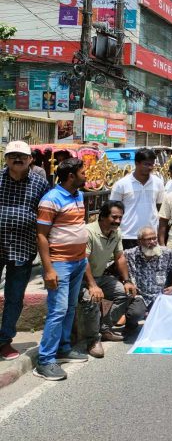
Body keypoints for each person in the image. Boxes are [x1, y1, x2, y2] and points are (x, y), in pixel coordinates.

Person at [34, 158, 89, 381]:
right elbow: (41, 235)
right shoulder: (51, 200)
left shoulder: (79, 195)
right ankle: (45, 360)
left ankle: (64, 348)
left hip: (78, 261)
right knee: (57, 310)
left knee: (70, 307)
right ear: (71, 176)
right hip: (60, 263)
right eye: (83, 172)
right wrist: (48, 269)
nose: (87, 176)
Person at [0, 141, 49, 360]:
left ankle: (4, 341)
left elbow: (47, 213)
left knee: (14, 296)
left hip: (24, 247)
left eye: (22, 156)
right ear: (6, 159)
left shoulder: (40, 183)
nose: (17, 159)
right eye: (13, 155)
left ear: (30, 159)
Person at [78, 201, 138, 358]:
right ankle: (93, 340)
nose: (118, 221)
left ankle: (105, 329)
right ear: (103, 216)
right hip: (82, 279)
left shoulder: (116, 233)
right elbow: (83, 260)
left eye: (120, 218)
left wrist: (127, 281)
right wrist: (92, 285)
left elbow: (120, 257)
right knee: (91, 300)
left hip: (100, 277)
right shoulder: (88, 232)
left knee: (124, 293)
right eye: (114, 217)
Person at [123, 227, 172, 326]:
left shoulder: (168, 253)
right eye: (148, 239)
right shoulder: (130, 254)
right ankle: (131, 327)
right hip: (140, 296)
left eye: (154, 238)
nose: (153, 242)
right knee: (134, 314)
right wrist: (126, 281)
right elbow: (117, 260)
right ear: (139, 241)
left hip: (161, 295)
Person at [109, 147, 165, 250]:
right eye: (146, 164)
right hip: (128, 235)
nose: (150, 167)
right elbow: (113, 210)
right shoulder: (121, 184)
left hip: (151, 235)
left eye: (152, 164)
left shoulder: (158, 183)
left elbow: (160, 208)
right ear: (137, 163)